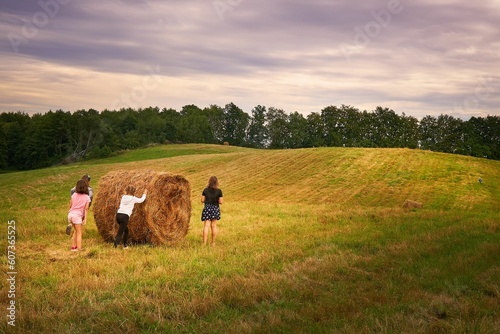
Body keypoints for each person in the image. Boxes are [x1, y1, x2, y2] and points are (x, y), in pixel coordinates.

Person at [68, 179, 91, 251]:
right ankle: (79, 248)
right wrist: (85, 219)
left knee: (76, 231)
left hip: (70, 214)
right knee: (79, 233)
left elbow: (70, 205)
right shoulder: (87, 197)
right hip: (77, 216)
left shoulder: (74, 195)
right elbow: (86, 209)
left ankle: (73, 247)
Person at [201, 176, 223, 246]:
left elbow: (202, 200)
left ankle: (204, 243)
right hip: (215, 208)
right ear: (217, 182)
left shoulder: (205, 190)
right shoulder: (219, 191)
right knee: (213, 226)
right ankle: (213, 243)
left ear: (209, 182)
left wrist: (207, 200)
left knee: (206, 226)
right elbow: (221, 202)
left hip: (207, 208)